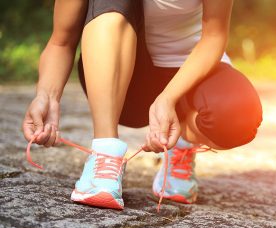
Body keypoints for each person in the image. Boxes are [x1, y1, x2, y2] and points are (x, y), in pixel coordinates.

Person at [23, 0, 263, 211]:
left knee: (237, 115)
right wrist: (47, 95)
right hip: (125, 81)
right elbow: (61, 42)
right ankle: (105, 155)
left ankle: (181, 144)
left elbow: (214, 36)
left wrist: (168, 98)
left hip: (188, 74)